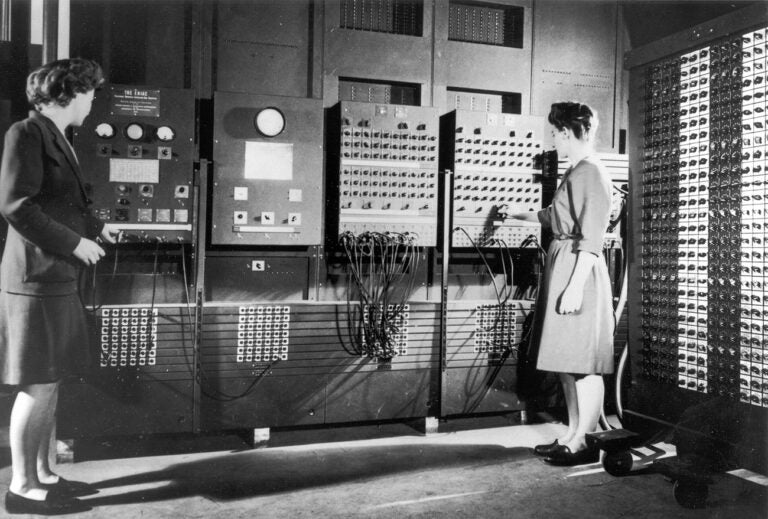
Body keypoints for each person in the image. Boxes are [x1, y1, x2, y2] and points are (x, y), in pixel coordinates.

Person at [0, 58, 120, 514]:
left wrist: (97, 227)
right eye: (90, 94)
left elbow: (62, 199)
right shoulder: (26, 134)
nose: (93, 103)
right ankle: (22, 489)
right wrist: (75, 242)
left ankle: (44, 474)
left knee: (50, 382)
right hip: (35, 278)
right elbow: (16, 205)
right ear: (69, 93)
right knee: (38, 384)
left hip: (55, 276)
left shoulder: (57, 138)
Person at [512, 102, 614, 466]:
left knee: (581, 361)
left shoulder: (590, 173)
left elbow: (592, 237)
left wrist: (573, 287)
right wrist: (514, 214)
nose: (553, 139)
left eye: (556, 133)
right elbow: (553, 216)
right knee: (565, 359)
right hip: (564, 265)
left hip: (578, 272)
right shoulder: (576, 172)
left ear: (570, 133)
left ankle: (585, 441)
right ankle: (573, 433)